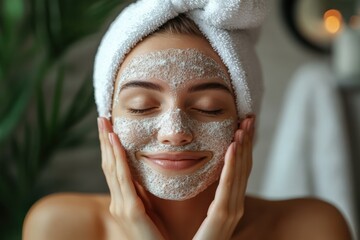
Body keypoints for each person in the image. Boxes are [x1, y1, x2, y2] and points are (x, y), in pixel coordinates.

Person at [23, 1, 352, 239]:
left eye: (209, 107)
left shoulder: (310, 228)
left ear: (244, 122)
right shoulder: (61, 226)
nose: (175, 132)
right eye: (141, 106)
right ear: (107, 122)